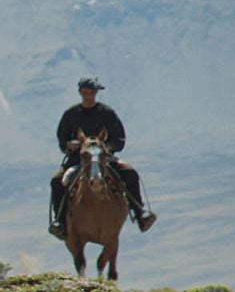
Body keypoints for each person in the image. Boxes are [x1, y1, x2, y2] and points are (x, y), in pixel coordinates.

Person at [50, 77, 156, 239]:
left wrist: (105, 148)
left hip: (104, 158)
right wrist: (68, 145)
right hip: (78, 159)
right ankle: (59, 222)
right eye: (86, 92)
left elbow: (119, 139)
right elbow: (62, 138)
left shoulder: (107, 113)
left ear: (96, 93)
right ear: (80, 93)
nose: (89, 96)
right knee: (57, 180)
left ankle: (140, 212)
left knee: (130, 173)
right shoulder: (70, 114)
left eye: (92, 93)